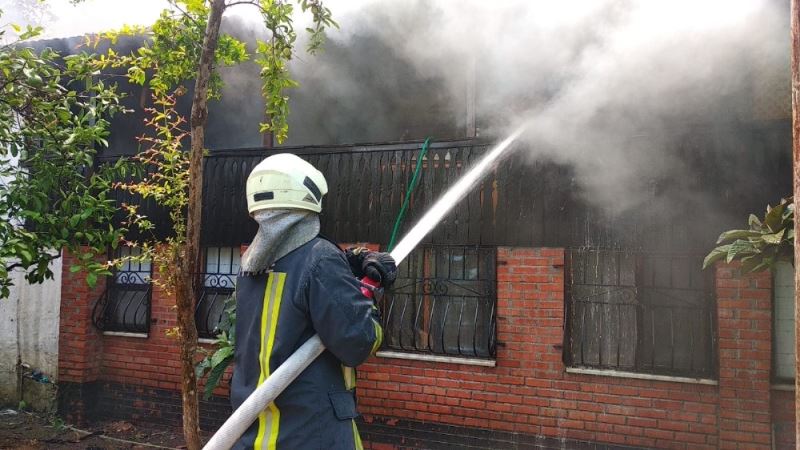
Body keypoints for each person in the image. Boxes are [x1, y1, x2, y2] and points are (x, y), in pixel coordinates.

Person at [230, 153, 397, 450]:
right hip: (312, 431)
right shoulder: (320, 259)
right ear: (309, 198)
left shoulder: (250, 266)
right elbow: (359, 342)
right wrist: (367, 294)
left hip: (255, 431)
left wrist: (347, 265)